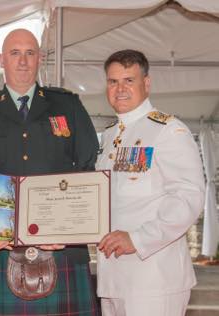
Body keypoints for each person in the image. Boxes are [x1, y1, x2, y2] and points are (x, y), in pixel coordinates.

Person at [0, 29, 100, 315]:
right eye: (15, 53)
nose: (22, 61)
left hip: (62, 249)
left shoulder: (68, 104)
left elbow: (87, 173)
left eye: (30, 53)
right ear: (1, 60)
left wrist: (70, 229)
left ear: (40, 59)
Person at [96, 49, 205, 316]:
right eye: (113, 81)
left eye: (128, 80)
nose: (119, 89)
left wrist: (139, 239)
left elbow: (189, 197)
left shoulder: (169, 130)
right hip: (113, 277)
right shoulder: (110, 136)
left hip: (153, 278)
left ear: (146, 83)